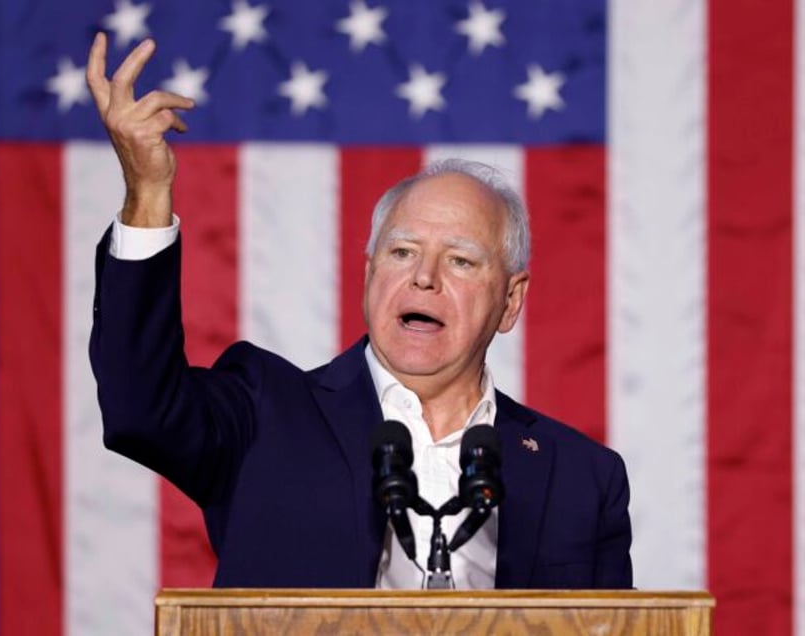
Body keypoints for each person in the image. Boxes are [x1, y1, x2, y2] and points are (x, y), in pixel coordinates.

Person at [87, 33, 633, 589]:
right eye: (402, 252)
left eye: (461, 261)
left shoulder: (582, 478)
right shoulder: (265, 412)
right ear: (370, 273)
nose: (424, 276)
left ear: (510, 301)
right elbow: (139, 409)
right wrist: (148, 193)